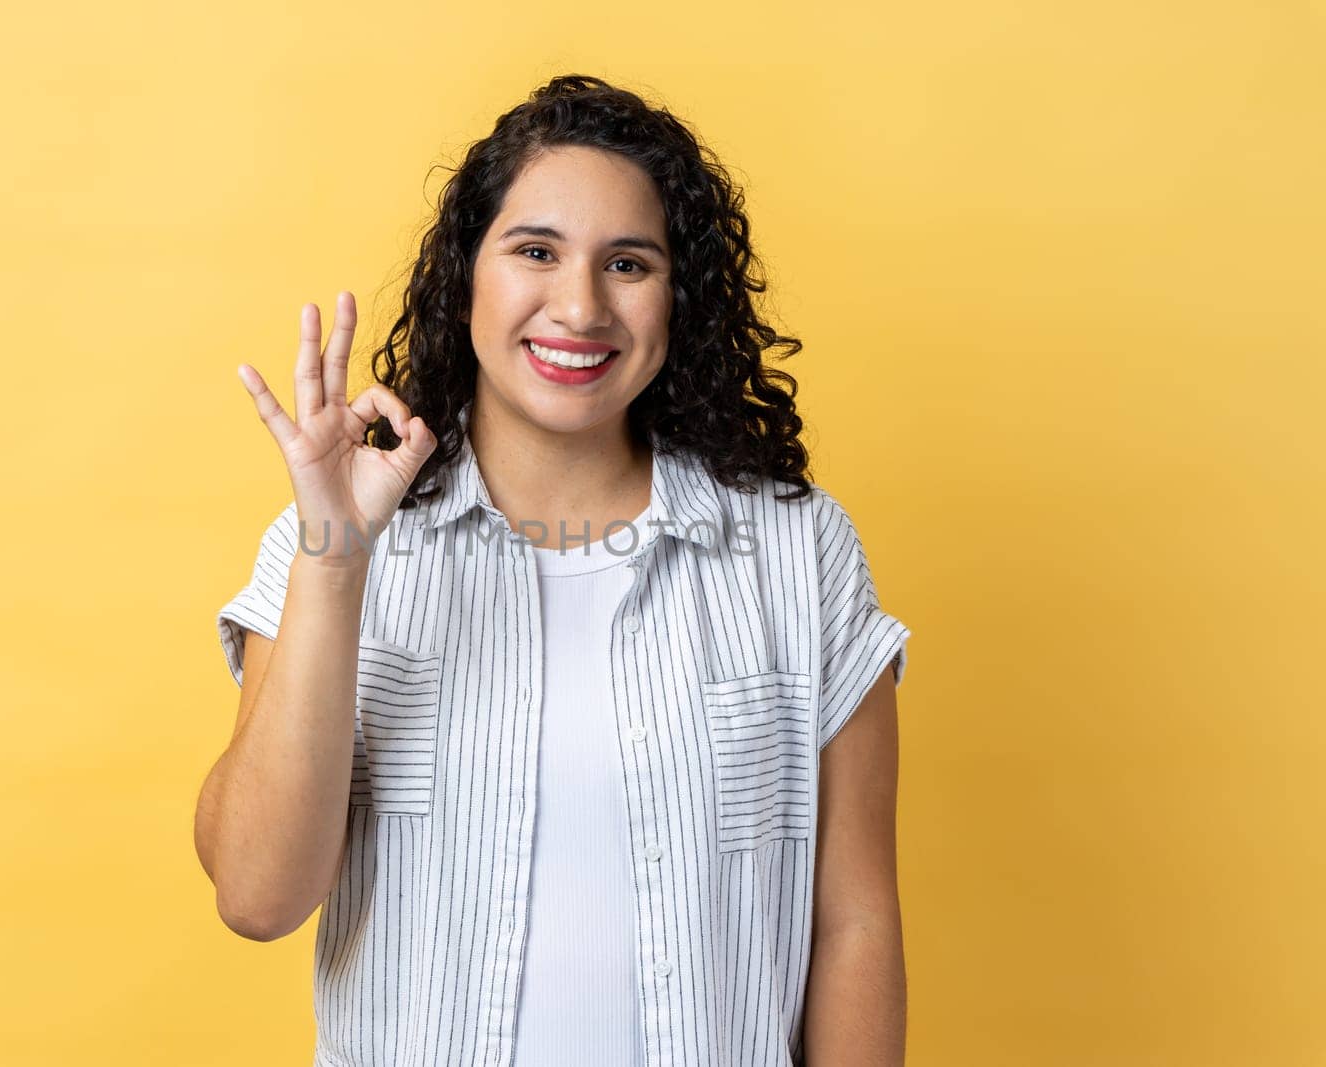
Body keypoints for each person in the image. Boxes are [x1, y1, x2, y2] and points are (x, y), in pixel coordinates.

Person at [194, 74, 912, 1067]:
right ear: (467, 276)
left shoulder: (800, 552)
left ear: (677, 296)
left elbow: (855, 921)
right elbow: (257, 896)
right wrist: (337, 559)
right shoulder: (333, 536)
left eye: (628, 262)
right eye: (535, 250)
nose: (579, 306)